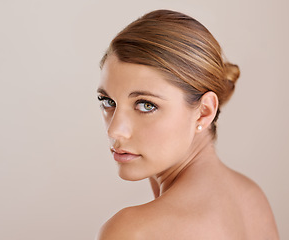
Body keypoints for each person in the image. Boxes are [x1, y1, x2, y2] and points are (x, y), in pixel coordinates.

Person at [96, 9, 279, 239]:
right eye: (107, 101)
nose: (114, 129)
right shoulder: (252, 199)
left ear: (204, 112)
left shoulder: (133, 231)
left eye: (146, 105)